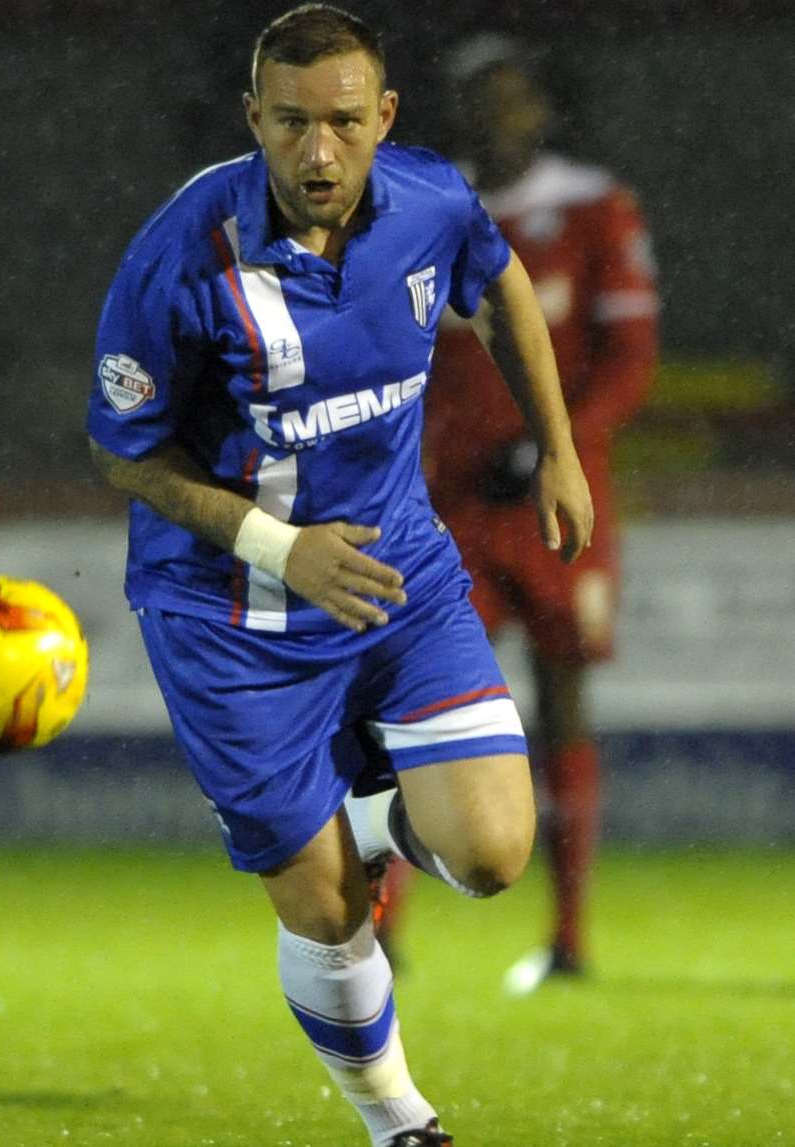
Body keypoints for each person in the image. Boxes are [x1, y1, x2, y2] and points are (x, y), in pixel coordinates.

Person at [86, 6, 593, 1145]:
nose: (318, 152)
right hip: (228, 618)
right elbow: (124, 451)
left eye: (344, 123)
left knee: (490, 854)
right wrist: (280, 549)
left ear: (385, 118)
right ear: (252, 119)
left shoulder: (426, 201)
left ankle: (343, 820)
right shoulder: (180, 254)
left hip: (391, 576)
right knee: (327, 909)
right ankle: (397, 1120)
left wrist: (555, 444)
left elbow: (500, 283)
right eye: (292, 124)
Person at [375, 34, 660, 995]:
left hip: (557, 507)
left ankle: (570, 937)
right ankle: (383, 933)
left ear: (540, 110)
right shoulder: (420, 208)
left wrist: (554, 446)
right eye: (476, 101)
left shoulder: (593, 208)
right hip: (447, 509)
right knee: (413, 702)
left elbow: (629, 361)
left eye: (512, 99)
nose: (496, 117)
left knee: (561, 702)